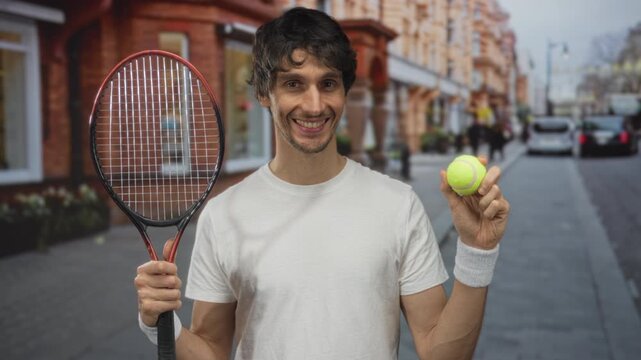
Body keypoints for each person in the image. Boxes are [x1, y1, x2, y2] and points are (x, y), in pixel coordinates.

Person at [135, 7, 510, 359]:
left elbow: (441, 352)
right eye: (294, 84)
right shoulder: (224, 214)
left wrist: (477, 251)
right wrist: (160, 323)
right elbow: (212, 350)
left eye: (328, 83)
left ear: (344, 91)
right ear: (265, 93)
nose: (314, 106)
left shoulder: (398, 204)